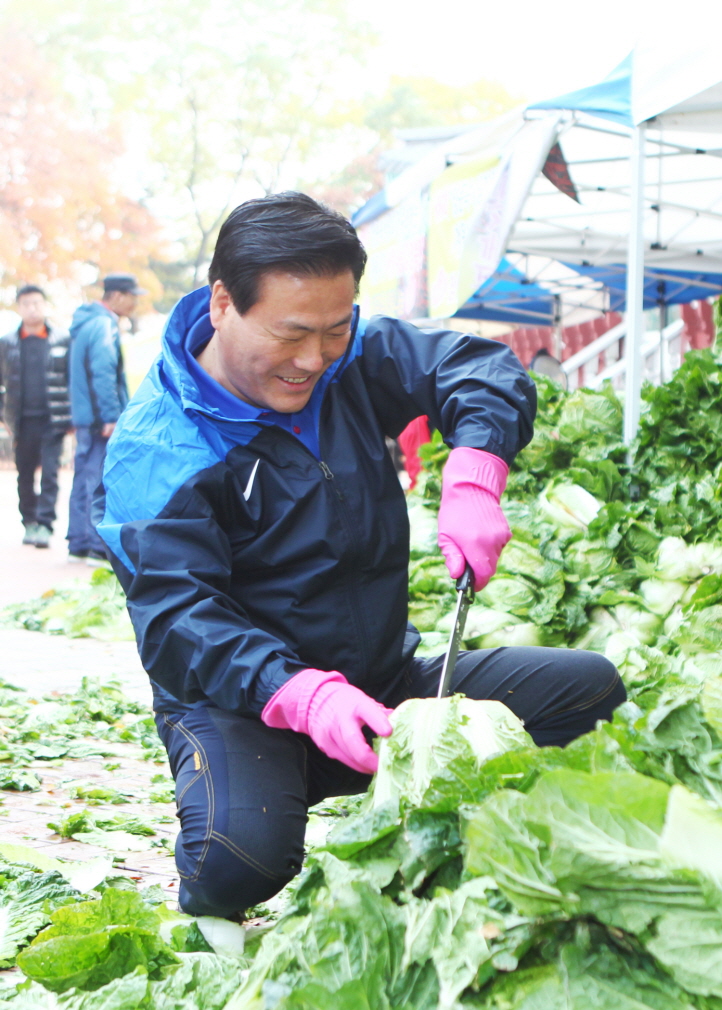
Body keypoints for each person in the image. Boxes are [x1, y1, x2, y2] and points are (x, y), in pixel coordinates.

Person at [95, 193, 625, 919]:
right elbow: (179, 620)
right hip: (249, 703)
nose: (313, 360)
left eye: (335, 329)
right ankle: (243, 817)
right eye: (291, 335)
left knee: (590, 691)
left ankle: (458, 849)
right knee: (237, 860)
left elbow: (479, 369)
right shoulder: (158, 449)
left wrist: (475, 472)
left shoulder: (349, 361)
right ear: (223, 303)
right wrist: (303, 693)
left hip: (382, 677)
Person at [67, 273, 144, 563]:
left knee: (83, 475)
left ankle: (77, 543)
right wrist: (111, 416)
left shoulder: (86, 323)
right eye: (132, 296)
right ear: (117, 296)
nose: (135, 303)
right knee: (97, 479)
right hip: (100, 418)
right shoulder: (102, 325)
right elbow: (103, 372)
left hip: (87, 415)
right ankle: (96, 547)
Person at [0, 285, 71, 548]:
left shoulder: (61, 339)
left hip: (53, 419)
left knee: (51, 473)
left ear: (44, 305)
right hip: (21, 421)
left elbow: (70, 380)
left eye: (37, 303)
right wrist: (4, 417)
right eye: (27, 303)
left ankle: (45, 524)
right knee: (25, 474)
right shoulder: (6, 343)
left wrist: (70, 415)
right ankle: (29, 521)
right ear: (19, 307)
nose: (33, 308)